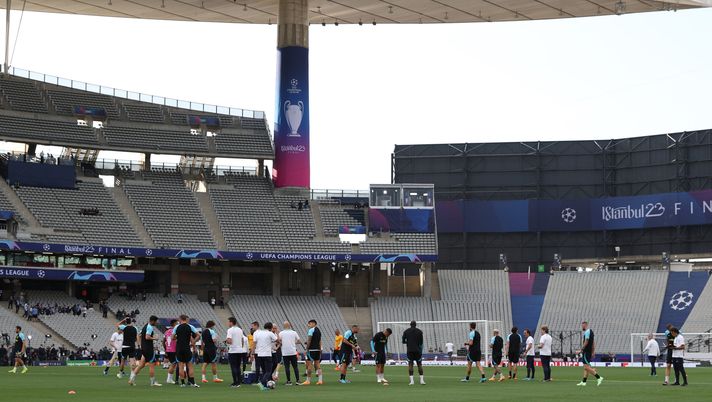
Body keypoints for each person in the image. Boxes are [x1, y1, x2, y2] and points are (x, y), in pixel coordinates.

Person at [129, 315, 161, 387]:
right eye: (156, 322)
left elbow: (139, 335)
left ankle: (131, 379)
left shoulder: (144, 327)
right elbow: (147, 337)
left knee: (141, 365)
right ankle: (153, 382)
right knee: (152, 365)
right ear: (153, 321)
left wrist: (140, 345)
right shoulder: (149, 327)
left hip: (143, 349)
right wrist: (155, 338)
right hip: (149, 349)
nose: (156, 323)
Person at [173, 314, 201, 387]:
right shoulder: (190, 326)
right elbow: (199, 335)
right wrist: (193, 342)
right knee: (190, 366)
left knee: (181, 366)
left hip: (179, 348)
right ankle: (192, 382)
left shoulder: (177, 327)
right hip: (187, 348)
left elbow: (172, 337)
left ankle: (182, 383)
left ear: (181, 319)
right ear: (186, 319)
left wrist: (177, 337)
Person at [575, 321, 603, 387]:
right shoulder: (591, 332)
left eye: (583, 325)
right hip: (589, 351)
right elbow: (593, 343)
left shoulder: (587, 332)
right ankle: (584, 382)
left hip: (586, 351)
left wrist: (581, 350)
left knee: (586, 367)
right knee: (586, 368)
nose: (582, 327)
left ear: (586, 325)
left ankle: (599, 377)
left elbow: (586, 341)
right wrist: (593, 351)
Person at [252, 322, 277, 391]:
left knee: (264, 370)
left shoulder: (259, 333)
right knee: (269, 371)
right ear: (271, 327)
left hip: (259, 354)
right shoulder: (270, 333)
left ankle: (265, 386)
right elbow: (277, 340)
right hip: (267, 354)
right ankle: (262, 382)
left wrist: (252, 352)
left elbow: (254, 343)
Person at [225, 317, 247, 388]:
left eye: (228, 322)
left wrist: (226, 341)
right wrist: (240, 346)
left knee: (233, 367)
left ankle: (235, 382)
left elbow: (229, 341)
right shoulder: (240, 330)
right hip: (240, 350)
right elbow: (242, 340)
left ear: (231, 322)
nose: (228, 323)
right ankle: (239, 382)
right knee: (238, 366)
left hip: (233, 351)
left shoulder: (230, 330)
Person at [402, 320, 426, 385]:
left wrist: (409, 342)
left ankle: (412, 381)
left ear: (410, 325)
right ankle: (422, 381)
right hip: (417, 350)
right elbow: (421, 342)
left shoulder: (406, 331)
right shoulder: (420, 331)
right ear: (416, 325)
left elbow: (403, 341)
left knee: (410, 364)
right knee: (419, 364)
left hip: (410, 350)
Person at [279, 321, 301, 385]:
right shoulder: (294, 332)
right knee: (295, 367)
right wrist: (293, 343)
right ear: (290, 325)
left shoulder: (281, 333)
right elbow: (299, 341)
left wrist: (283, 343)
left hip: (285, 353)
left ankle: (288, 381)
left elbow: (279, 341)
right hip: (293, 352)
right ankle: (298, 381)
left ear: (284, 326)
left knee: (287, 367)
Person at [302, 319, 323, 385]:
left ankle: (308, 380)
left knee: (309, 365)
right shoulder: (319, 330)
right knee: (318, 365)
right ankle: (320, 380)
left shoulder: (311, 330)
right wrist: (320, 349)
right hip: (317, 350)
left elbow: (309, 340)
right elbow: (319, 341)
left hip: (311, 350)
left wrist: (306, 349)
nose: (308, 325)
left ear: (313, 323)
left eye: (309, 324)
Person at [164, 319, 178, 385]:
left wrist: (165, 349)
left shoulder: (167, 331)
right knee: (173, 364)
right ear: (174, 324)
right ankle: (169, 379)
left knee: (173, 364)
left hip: (168, 349)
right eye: (177, 323)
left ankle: (169, 379)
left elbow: (163, 341)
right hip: (173, 350)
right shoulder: (175, 331)